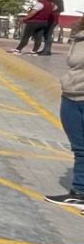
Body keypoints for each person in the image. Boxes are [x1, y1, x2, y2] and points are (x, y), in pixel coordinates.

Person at [45, 21, 84, 210]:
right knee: (80, 148)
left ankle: (79, 191)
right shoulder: (80, 36)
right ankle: (79, 192)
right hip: (71, 96)